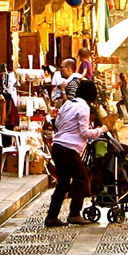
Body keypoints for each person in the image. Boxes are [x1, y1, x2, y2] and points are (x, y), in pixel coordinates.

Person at [46, 80, 106, 227]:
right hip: (69, 148)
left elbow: (58, 124)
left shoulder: (68, 104)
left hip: (58, 146)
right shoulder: (84, 107)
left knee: (63, 183)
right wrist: (101, 130)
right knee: (82, 180)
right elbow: (85, 132)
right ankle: (74, 213)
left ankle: (52, 216)